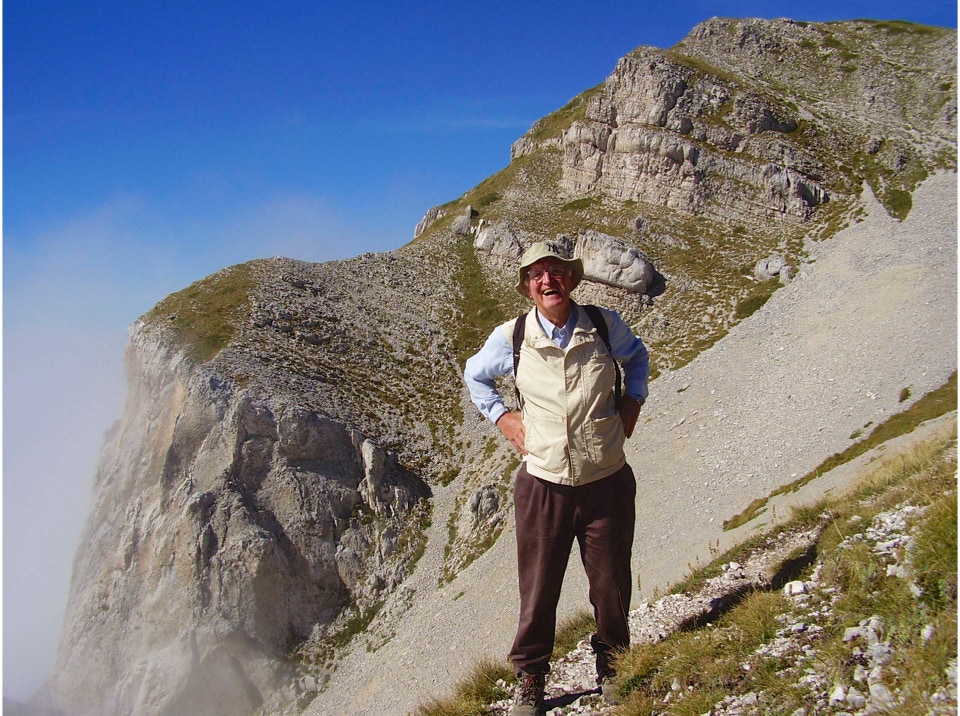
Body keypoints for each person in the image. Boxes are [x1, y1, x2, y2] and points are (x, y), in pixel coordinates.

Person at [463, 241, 649, 715]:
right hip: (543, 483)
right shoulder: (513, 336)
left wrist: (633, 401)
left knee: (611, 584)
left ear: (571, 279)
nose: (548, 281)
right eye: (537, 274)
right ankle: (531, 678)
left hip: (606, 478)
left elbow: (638, 358)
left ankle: (613, 664)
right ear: (528, 286)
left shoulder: (603, 325)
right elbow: (474, 375)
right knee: (539, 588)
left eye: (556, 272)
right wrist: (503, 418)